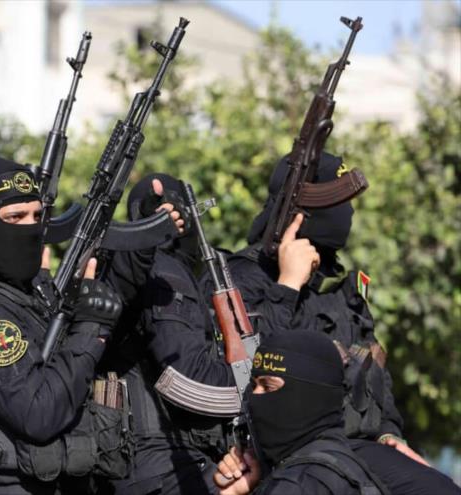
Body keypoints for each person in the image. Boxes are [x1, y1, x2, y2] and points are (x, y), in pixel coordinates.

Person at [229, 153, 460, 494]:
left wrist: (389, 433)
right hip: (297, 457)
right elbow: (251, 370)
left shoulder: (343, 287)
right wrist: (287, 285)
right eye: (337, 201)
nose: (347, 213)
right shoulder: (247, 277)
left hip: (359, 449)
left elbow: (373, 373)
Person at [0, 156, 125, 493]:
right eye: (14, 217)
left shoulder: (17, 291)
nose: (30, 228)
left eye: (36, 216)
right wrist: (89, 330)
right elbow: (38, 413)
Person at [100, 173, 240, 494]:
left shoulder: (142, 268)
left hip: (144, 458)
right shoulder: (164, 272)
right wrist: (256, 383)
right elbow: (188, 376)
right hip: (158, 458)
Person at [214, 330, 389, 495]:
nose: (255, 397)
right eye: (254, 386)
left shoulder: (299, 483)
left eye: (268, 386)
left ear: (307, 396)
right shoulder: (345, 466)